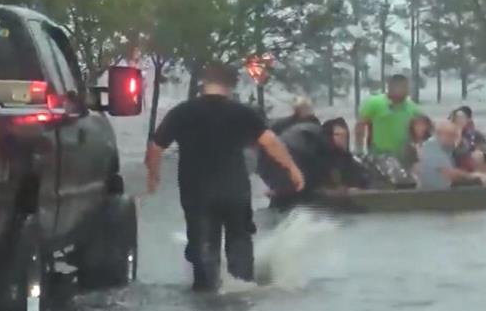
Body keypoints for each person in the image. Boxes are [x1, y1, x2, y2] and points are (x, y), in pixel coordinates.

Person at [145, 63, 305, 291]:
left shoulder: (182, 112)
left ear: (203, 83)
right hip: (235, 192)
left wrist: (153, 176)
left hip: (197, 193)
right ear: (231, 85)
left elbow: (156, 147)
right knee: (239, 244)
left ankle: (206, 300)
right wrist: (292, 169)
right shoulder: (242, 112)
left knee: (203, 247)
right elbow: (270, 142)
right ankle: (240, 292)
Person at [355, 74, 422, 160]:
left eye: (405, 87)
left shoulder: (413, 108)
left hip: (404, 157)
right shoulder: (374, 103)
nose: (405, 90)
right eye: (399, 86)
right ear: (390, 87)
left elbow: (423, 130)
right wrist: (359, 148)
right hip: (378, 155)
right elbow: (360, 125)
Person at [415, 120, 486, 189]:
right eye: (449, 135)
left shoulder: (447, 150)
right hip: (434, 194)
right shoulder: (431, 146)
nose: (453, 139)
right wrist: (474, 177)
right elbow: (450, 174)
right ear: (438, 134)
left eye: (454, 135)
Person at [320, 117, 368, 190]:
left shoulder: (352, 161)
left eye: (345, 134)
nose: (343, 138)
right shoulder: (321, 160)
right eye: (337, 135)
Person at [451, 106, 486, 172]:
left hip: (473, 164)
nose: (460, 121)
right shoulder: (448, 133)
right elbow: (450, 151)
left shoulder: (476, 134)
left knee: (478, 156)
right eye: (457, 118)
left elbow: (485, 154)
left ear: (468, 120)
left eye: (462, 118)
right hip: (455, 164)